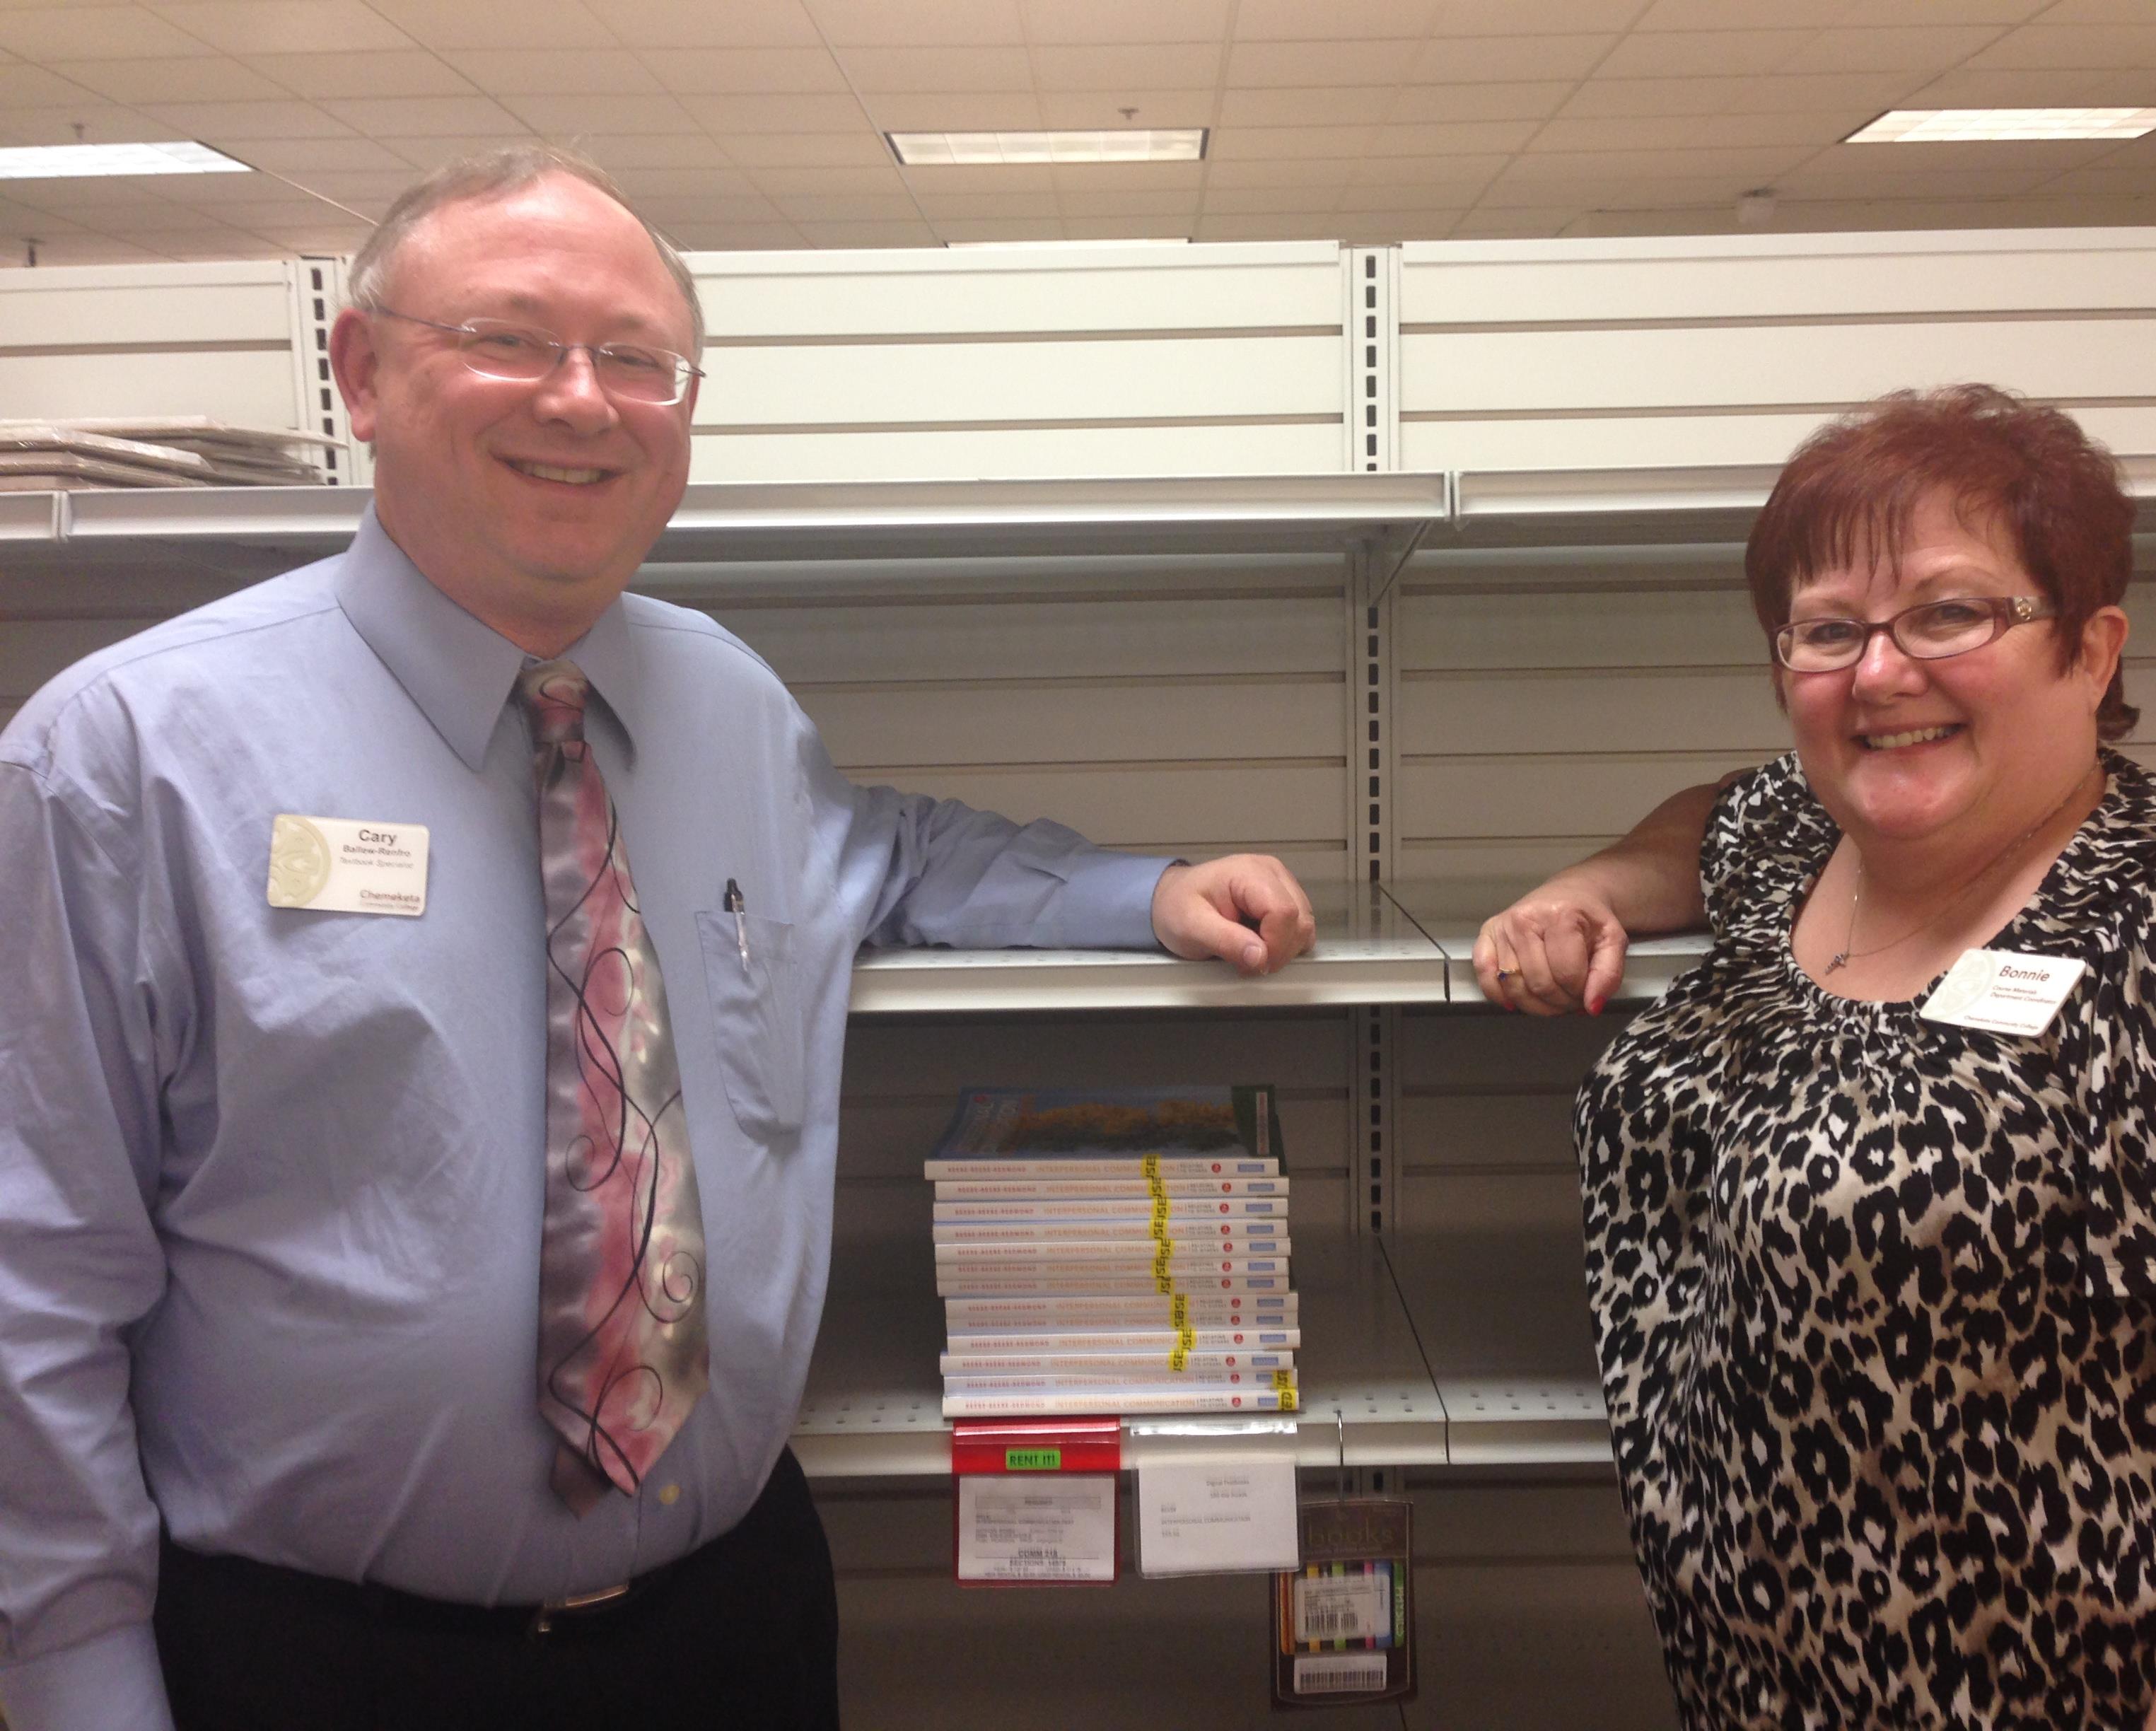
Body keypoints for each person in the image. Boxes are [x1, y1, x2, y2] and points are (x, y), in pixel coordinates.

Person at [0, 145, 1316, 1731]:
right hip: (316, 1659)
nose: (581, 401)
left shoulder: (728, 707)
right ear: (358, 370)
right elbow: (35, 1280)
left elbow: (877, 858)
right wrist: (74, 1676)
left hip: (732, 1622)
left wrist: (1146, 894)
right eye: (509, 339)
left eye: (638, 360)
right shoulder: (120, 760)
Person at [1474, 386, 2156, 1727]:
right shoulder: (1802, 841)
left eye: (1951, 612)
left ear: (2091, 652)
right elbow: (1701, 823)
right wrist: (1584, 894)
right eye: (1828, 631)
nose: (1879, 673)